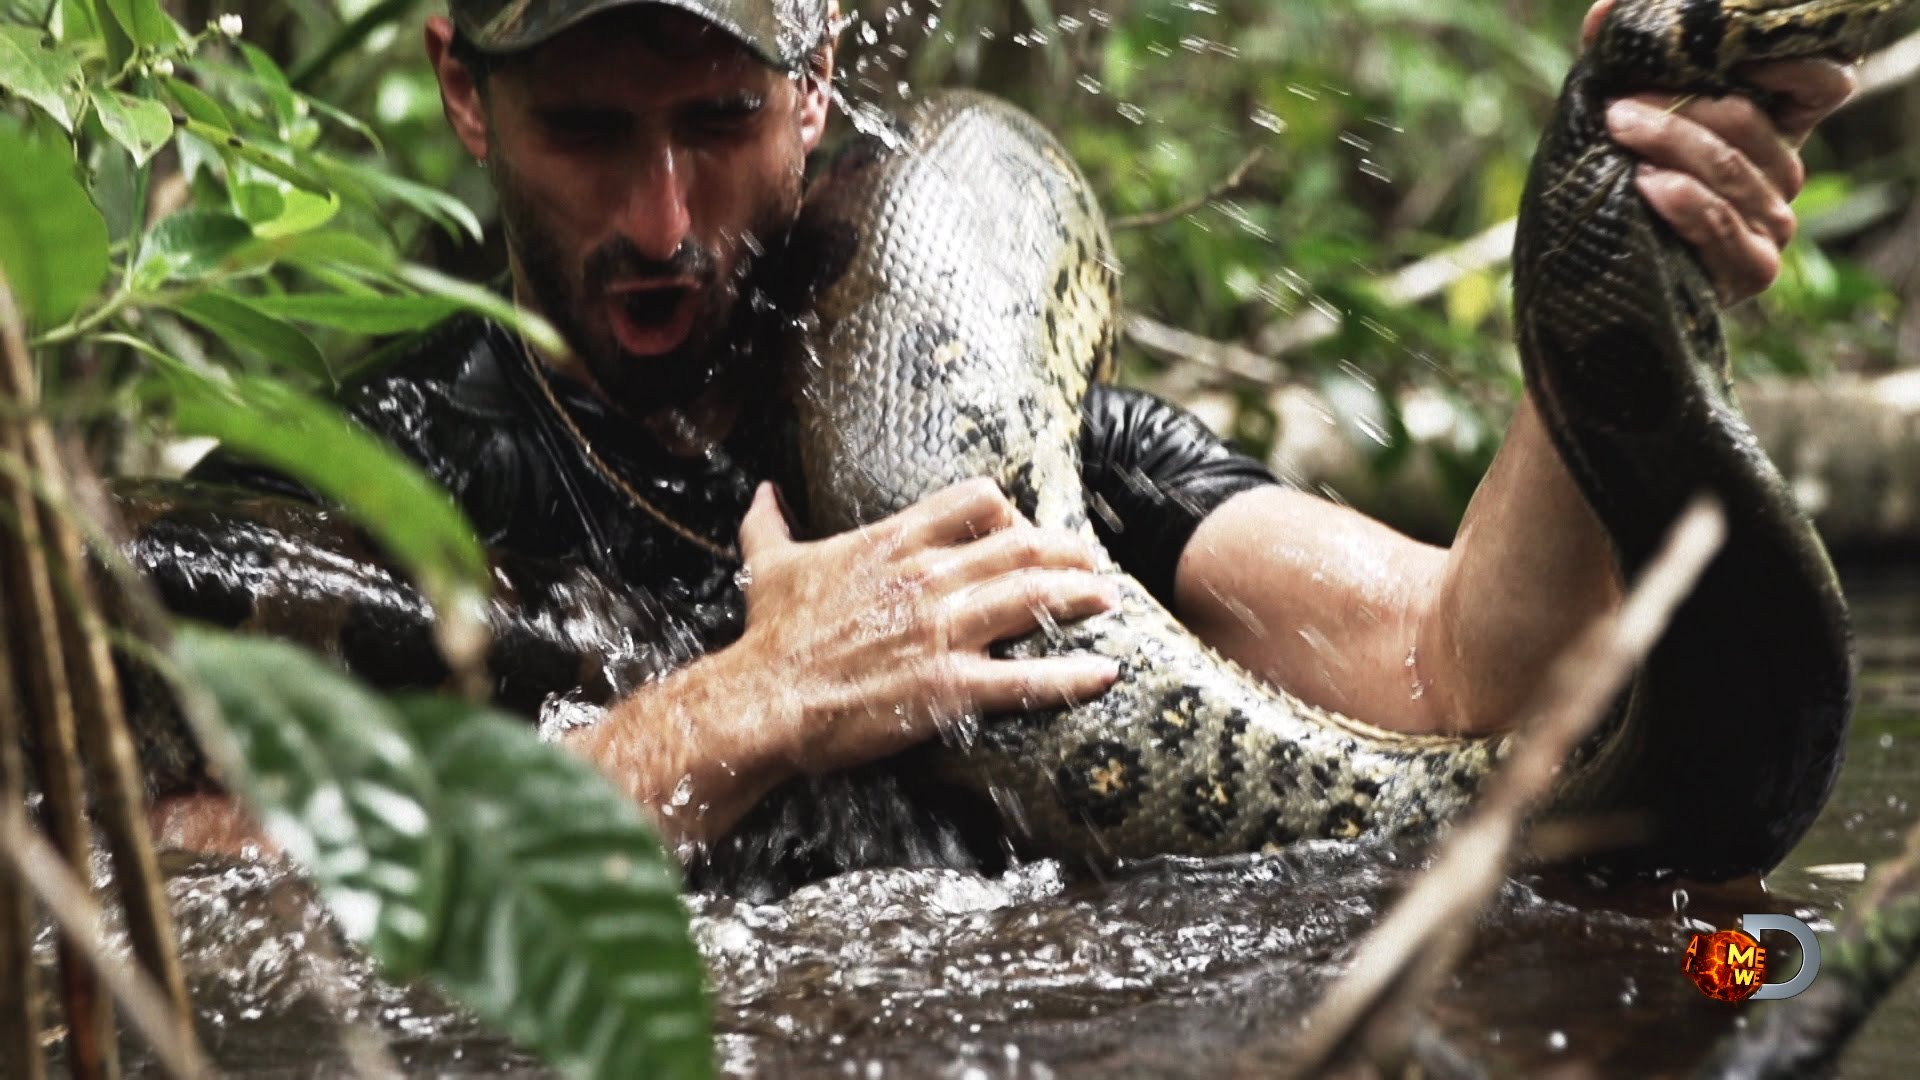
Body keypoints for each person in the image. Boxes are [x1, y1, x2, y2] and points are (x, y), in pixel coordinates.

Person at [153, 0, 1858, 886]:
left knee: (1693, 965)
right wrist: (745, 707)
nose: (660, 216)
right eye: (588, 133)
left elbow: (1469, 678)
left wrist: (1605, 243)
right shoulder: (362, 478)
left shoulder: (1030, 450)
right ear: (464, 92)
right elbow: (182, 881)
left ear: (815, 84)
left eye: (719, 123)